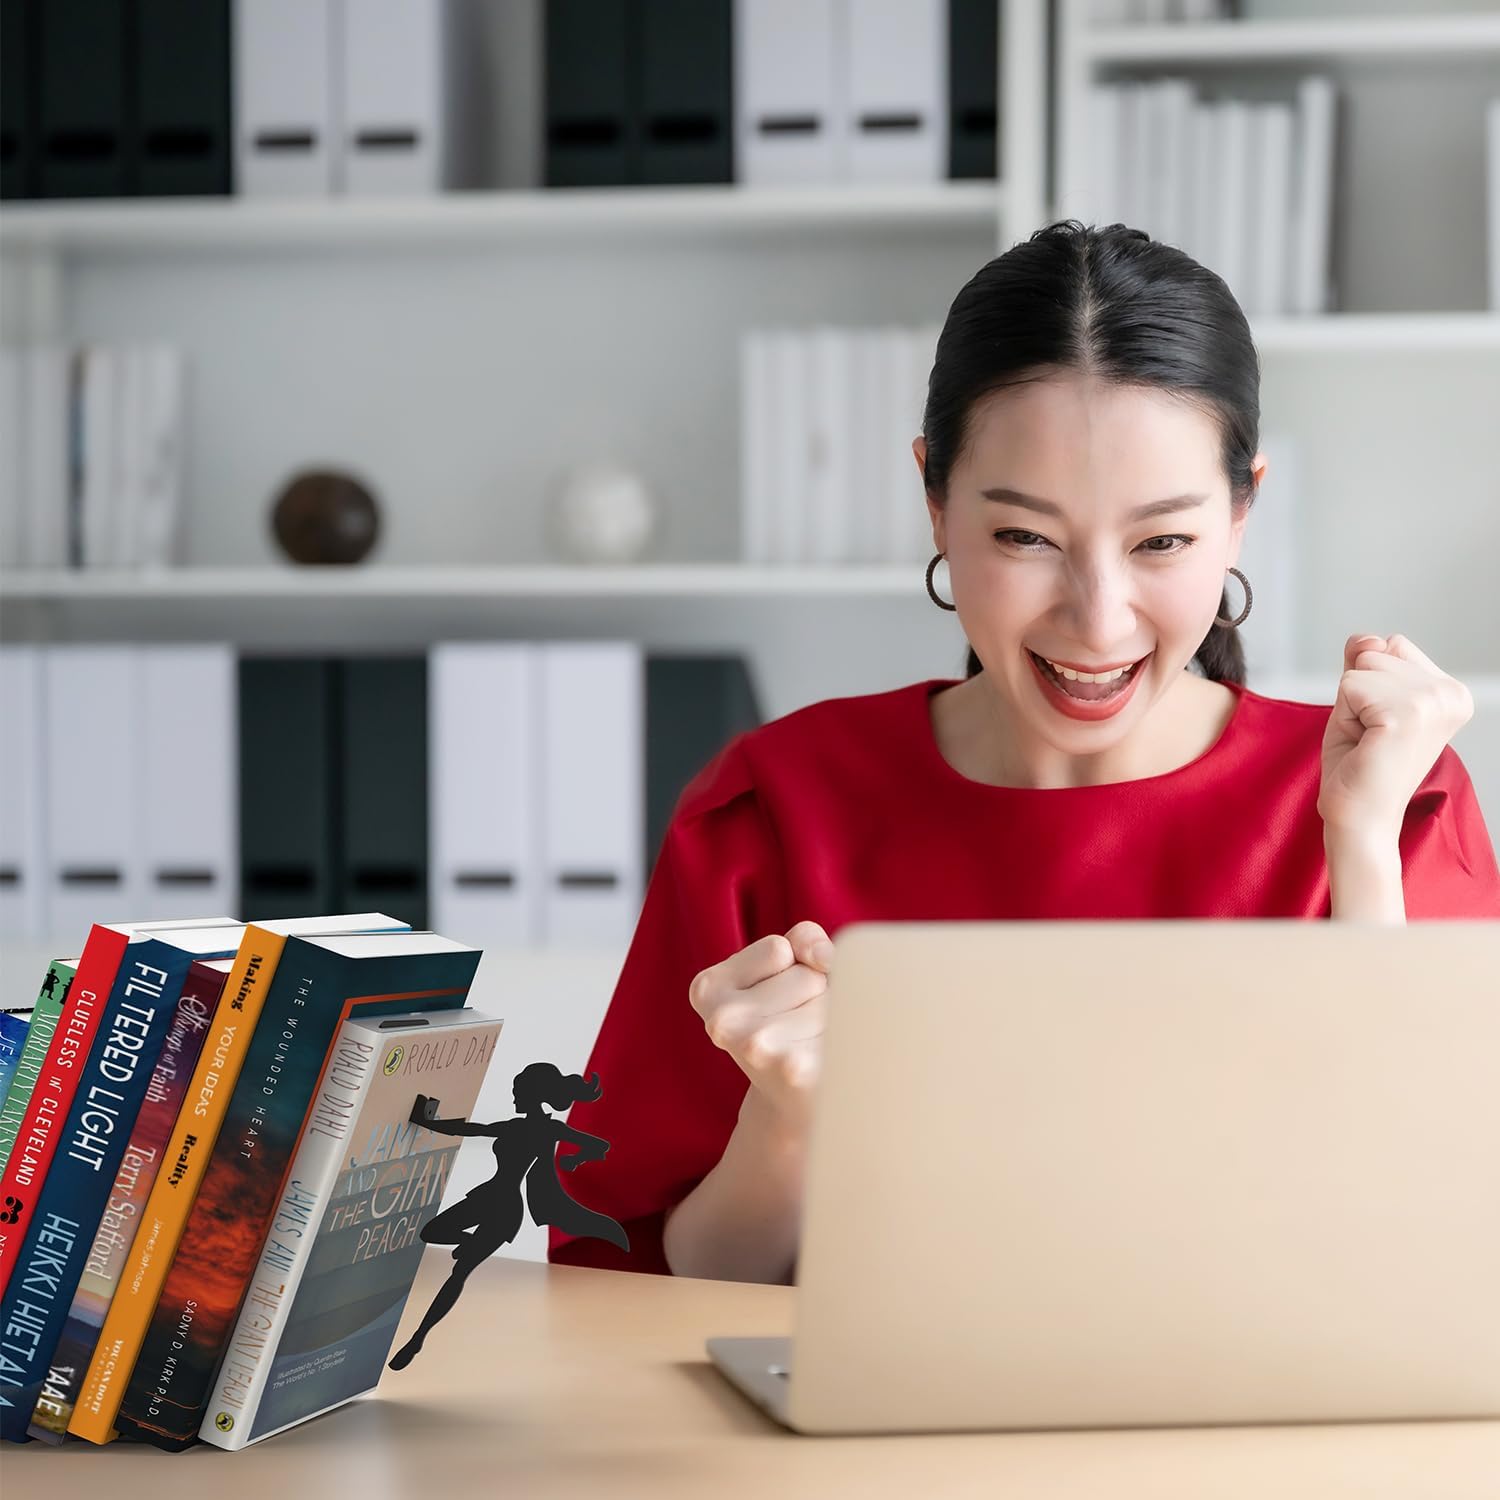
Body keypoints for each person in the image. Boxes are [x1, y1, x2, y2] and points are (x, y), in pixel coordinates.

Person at [546, 220, 1500, 1288]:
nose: (1097, 621)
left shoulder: (1386, 802)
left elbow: (1447, 1256)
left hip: (1272, 1452)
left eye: (1162, 542)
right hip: (860, 1453)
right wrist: (790, 1121)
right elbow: (627, 1286)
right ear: (935, 500)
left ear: (1243, 512)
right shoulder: (773, 806)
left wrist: (1361, 853)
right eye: (1024, 538)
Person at [389, 1063, 627, 1368]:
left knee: (459, 1273)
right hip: (489, 1196)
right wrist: (426, 1122)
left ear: (532, 1095)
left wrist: (575, 1159)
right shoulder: (515, 1126)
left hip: (506, 1208)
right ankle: (470, 1244)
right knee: (432, 1232)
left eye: (518, 1092)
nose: (514, 1097)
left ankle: (417, 1338)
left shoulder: (550, 1129)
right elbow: (470, 1129)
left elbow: (599, 1145)